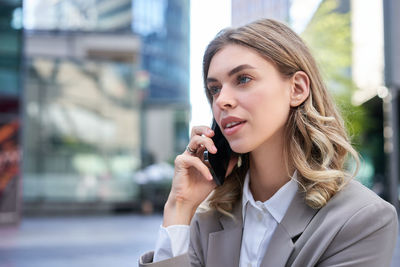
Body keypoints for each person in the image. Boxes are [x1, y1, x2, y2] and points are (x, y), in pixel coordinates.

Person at [139, 19, 398, 267]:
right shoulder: (207, 219)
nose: (221, 101)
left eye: (243, 79)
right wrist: (180, 206)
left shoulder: (362, 219)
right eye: (215, 88)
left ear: (296, 89)